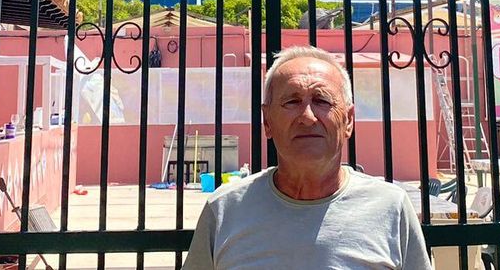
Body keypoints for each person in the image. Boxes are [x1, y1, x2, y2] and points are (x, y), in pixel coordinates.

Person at [184, 46, 432, 269]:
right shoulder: (225, 209)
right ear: (267, 121)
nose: (308, 117)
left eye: (322, 101)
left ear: (349, 120)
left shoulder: (390, 208)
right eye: (292, 101)